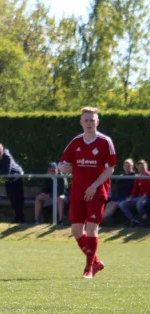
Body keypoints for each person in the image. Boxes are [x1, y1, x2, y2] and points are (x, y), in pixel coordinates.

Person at [58, 107, 116, 279]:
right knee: (76, 230)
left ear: (97, 122)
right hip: (77, 191)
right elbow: (63, 164)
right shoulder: (75, 142)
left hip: (97, 191)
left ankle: (88, 269)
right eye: (86, 120)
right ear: (81, 122)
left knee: (92, 229)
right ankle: (96, 262)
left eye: (92, 120)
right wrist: (63, 169)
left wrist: (95, 185)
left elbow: (110, 169)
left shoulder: (105, 142)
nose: (89, 123)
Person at [0, 143, 26, 223]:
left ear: (3, 151)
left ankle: (22, 219)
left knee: (19, 200)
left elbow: (7, 171)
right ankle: (18, 218)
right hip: (8, 180)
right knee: (12, 200)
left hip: (17, 178)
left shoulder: (7, 157)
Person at [118, 159, 150, 226]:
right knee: (122, 204)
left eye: (142, 167)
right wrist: (130, 198)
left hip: (147, 197)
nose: (141, 169)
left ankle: (146, 221)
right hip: (139, 197)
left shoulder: (148, 176)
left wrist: (141, 199)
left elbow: (148, 191)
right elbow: (134, 190)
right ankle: (133, 220)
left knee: (139, 205)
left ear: (146, 167)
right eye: (139, 167)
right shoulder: (138, 177)